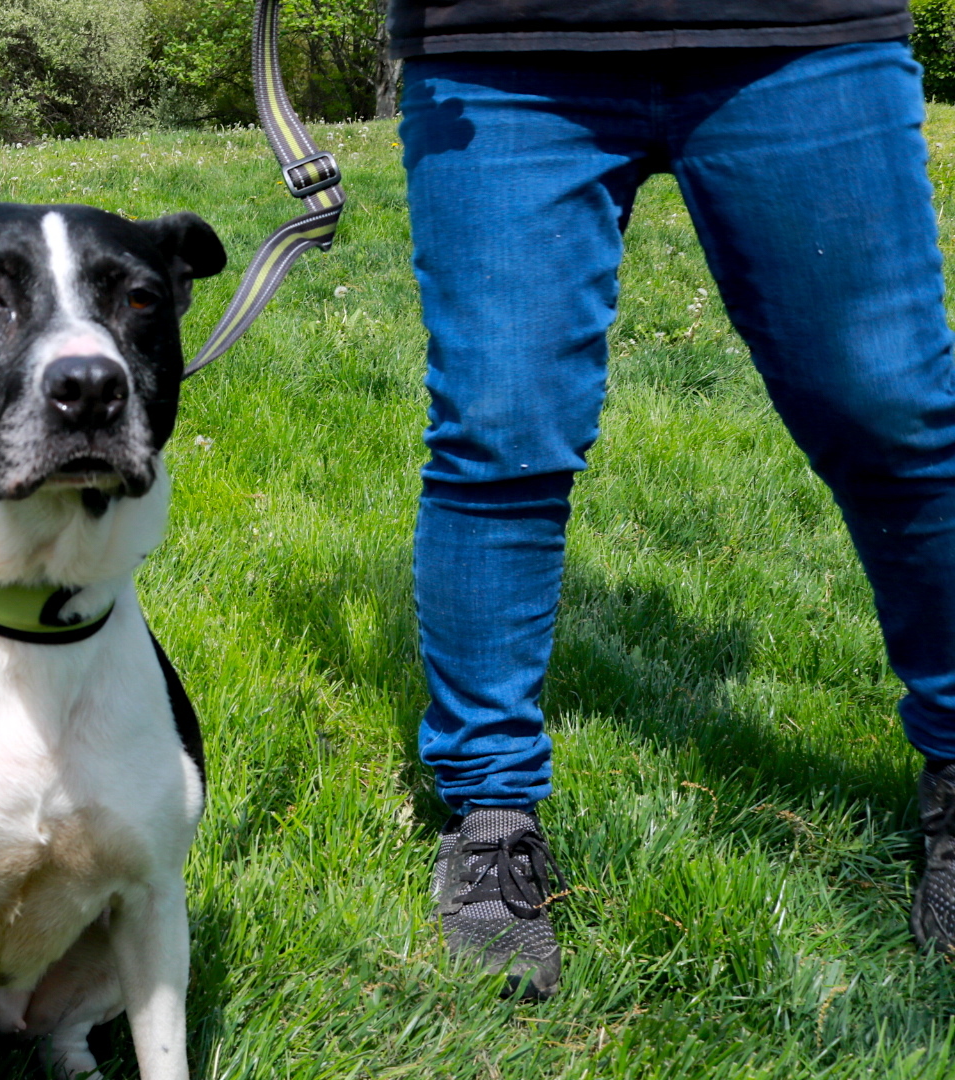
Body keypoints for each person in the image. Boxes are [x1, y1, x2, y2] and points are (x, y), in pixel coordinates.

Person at [388, 0, 955, 998]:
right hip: (497, 45)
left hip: (800, 32)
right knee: (498, 430)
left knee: (893, 410)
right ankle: (490, 817)